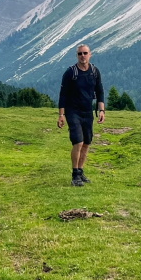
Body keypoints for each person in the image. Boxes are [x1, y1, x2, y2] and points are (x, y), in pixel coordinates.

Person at [57, 43, 105, 186]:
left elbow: (100, 91)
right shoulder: (71, 72)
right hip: (73, 112)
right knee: (78, 141)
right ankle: (74, 175)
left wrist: (101, 110)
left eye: (85, 53)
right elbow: (63, 95)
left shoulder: (95, 71)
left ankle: (80, 171)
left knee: (87, 143)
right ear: (77, 56)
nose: (82, 56)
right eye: (80, 54)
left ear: (90, 54)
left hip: (88, 111)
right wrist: (61, 115)